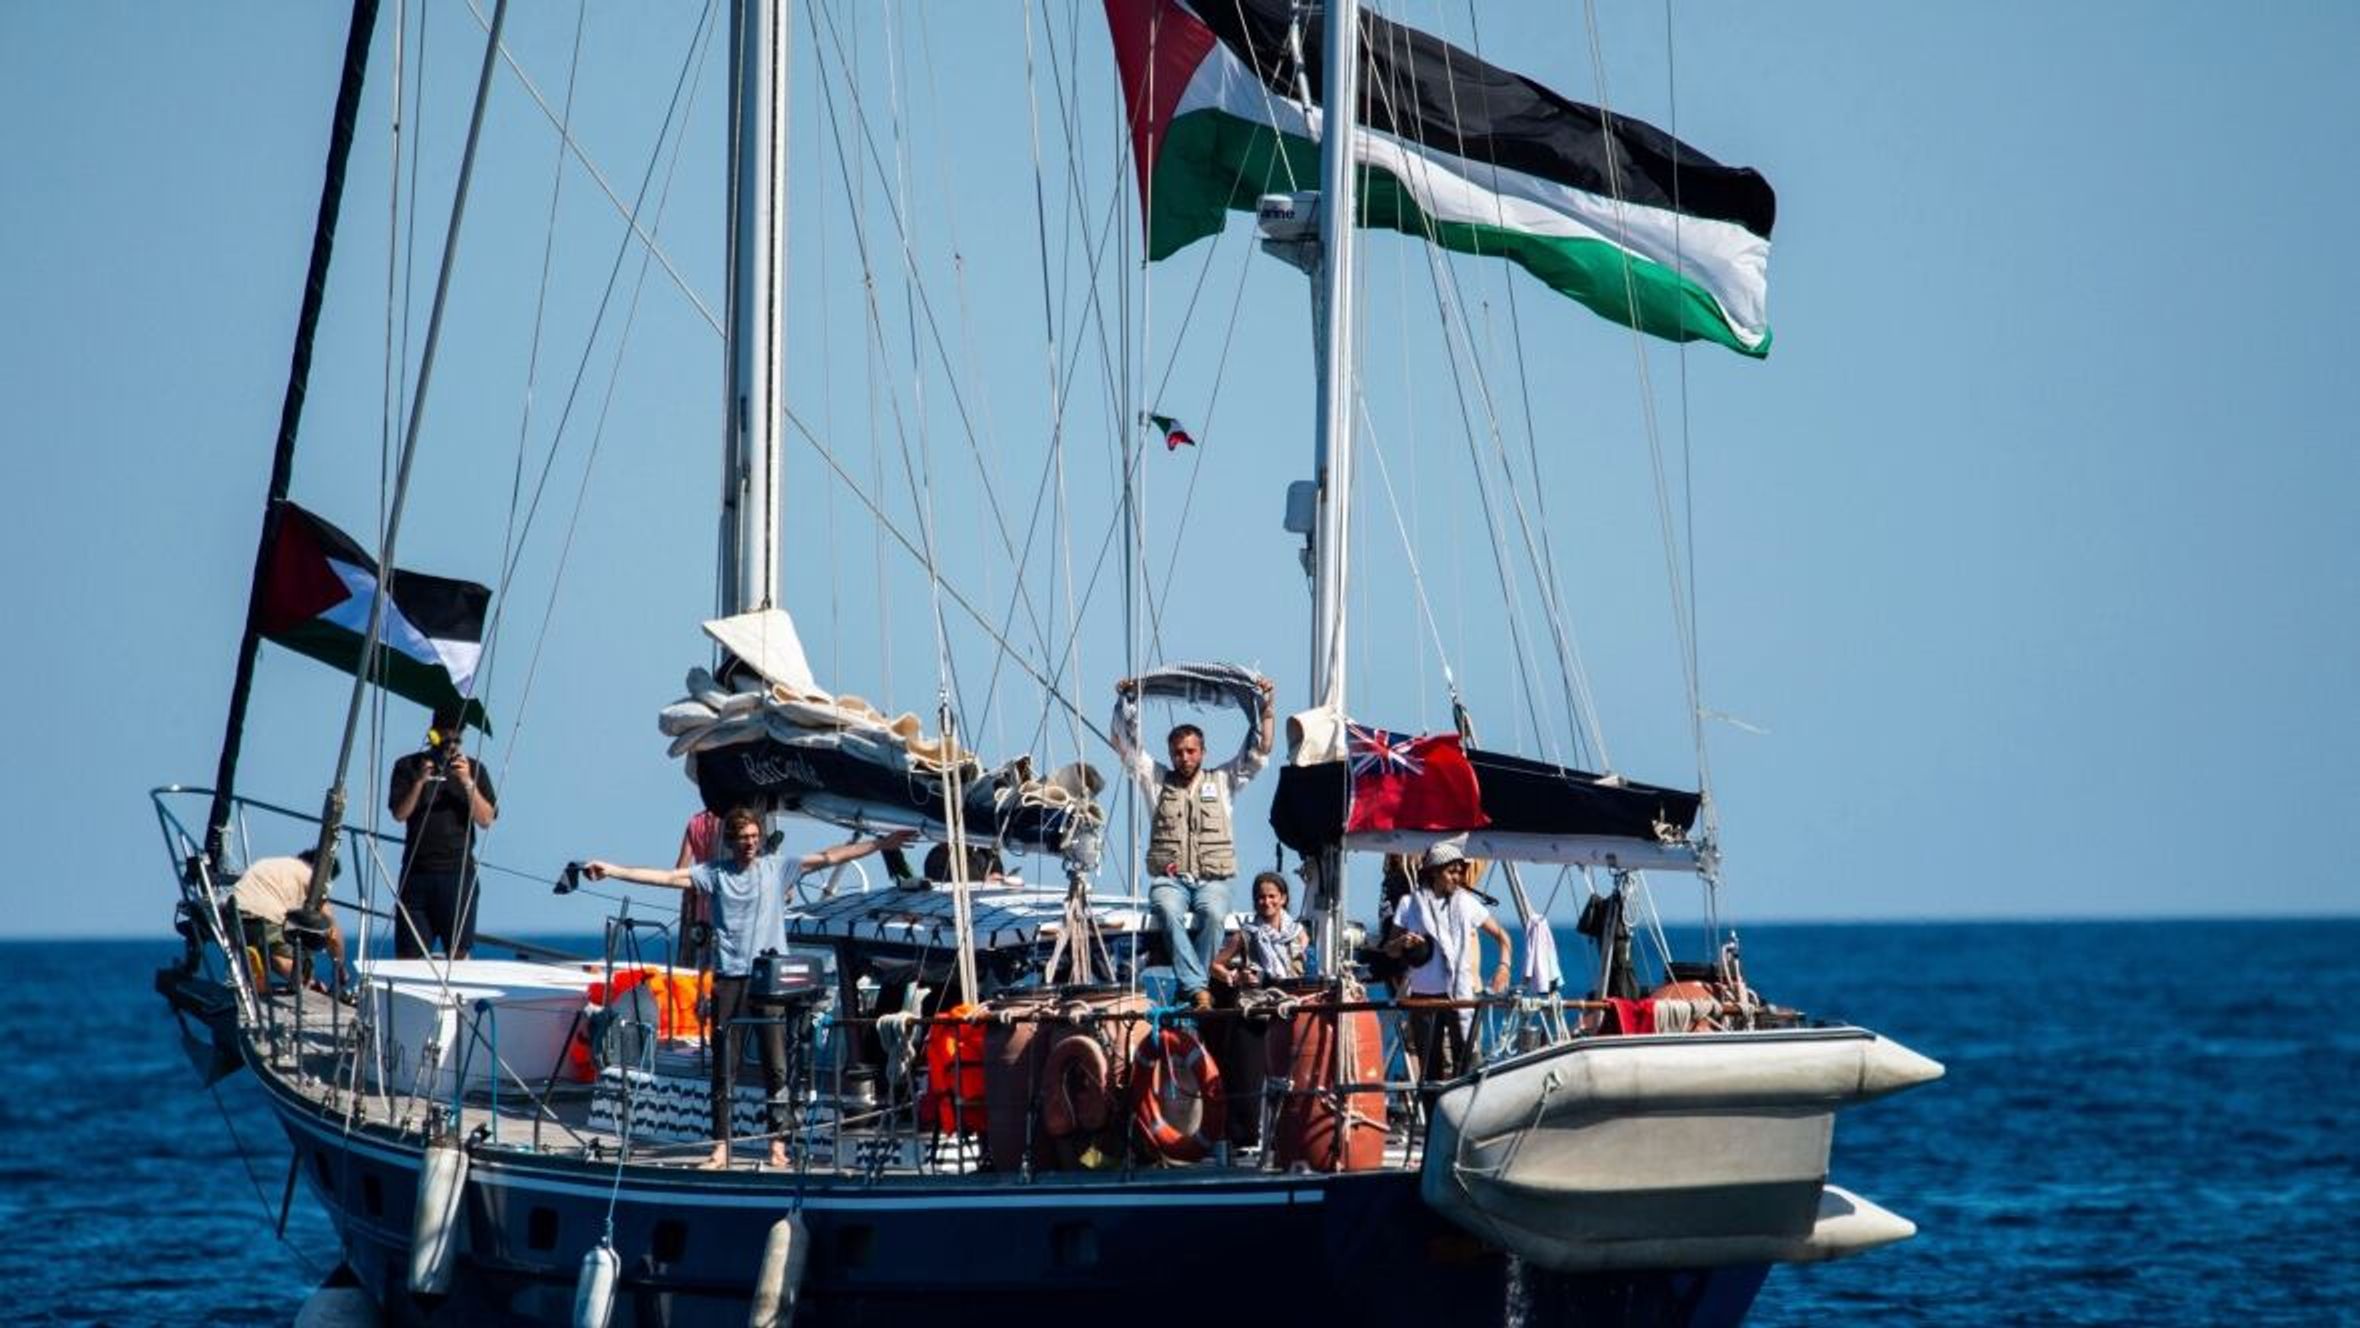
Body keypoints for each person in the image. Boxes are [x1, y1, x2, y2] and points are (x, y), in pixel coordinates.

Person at [584, 810, 914, 1168]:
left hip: (768, 979)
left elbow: (830, 856)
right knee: (725, 1067)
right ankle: (721, 1147)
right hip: (729, 979)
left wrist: (883, 844)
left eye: (756, 836)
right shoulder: (715, 874)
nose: (752, 843)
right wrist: (613, 870)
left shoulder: (777, 868)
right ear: (731, 841)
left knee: (777, 1065)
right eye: (744, 838)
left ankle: (777, 1144)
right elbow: (666, 876)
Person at [1113, 672, 1276, 1010]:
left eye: (1190, 751)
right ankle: (1199, 989)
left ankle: (1195, 987)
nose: (1183, 758)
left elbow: (1260, 749)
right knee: (1168, 912)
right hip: (1171, 880)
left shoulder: (1223, 781)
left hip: (1211, 881)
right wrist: (1125, 701)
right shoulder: (1155, 780)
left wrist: (1267, 708)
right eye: (1177, 752)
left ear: (1202, 752)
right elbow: (1124, 744)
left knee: (1214, 915)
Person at [1383, 837, 1512, 1082]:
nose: (1457, 877)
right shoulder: (1409, 904)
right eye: (1451, 871)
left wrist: (1503, 966)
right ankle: (1432, 1115)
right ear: (1433, 872)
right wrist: (1403, 944)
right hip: (1424, 999)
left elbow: (1503, 936)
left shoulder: (1467, 904)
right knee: (1429, 1068)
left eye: (1460, 872)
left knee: (1466, 1064)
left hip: (1460, 996)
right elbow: (1390, 950)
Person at [388, 707, 497, 959]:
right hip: (417, 873)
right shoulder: (408, 766)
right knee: (408, 956)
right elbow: (399, 814)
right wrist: (419, 782)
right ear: (433, 736)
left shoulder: (475, 769)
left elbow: (486, 819)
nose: (451, 746)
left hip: (457, 874)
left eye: (456, 740)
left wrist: (467, 782)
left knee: (458, 955)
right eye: (445, 740)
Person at [230, 849, 348, 992]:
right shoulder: (313, 878)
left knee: (270, 944)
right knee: (301, 965)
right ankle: (302, 980)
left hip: (232, 917)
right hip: (263, 919)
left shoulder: (271, 863)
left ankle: (256, 960)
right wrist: (340, 968)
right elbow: (332, 932)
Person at [1213, 871, 1308, 990]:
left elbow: (1307, 967)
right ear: (1255, 901)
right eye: (1261, 897)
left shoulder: (1297, 932)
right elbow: (1215, 965)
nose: (1267, 902)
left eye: (1272, 896)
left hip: (1294, 995)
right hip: (1258, 999)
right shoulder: (1245, 935)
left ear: (1283, 899)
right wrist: (1236, 977)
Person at [673, 808, 723, 968]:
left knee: (704, 968)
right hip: (726, 908)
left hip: (701, 911)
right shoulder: (729, 820)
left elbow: (681, 868)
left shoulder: (695, 822)